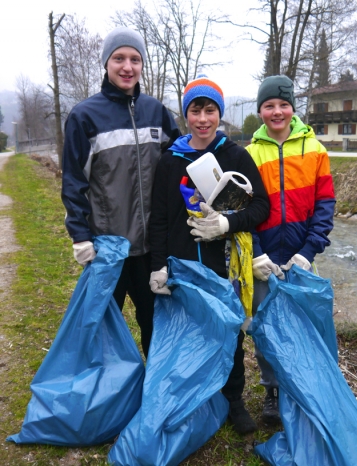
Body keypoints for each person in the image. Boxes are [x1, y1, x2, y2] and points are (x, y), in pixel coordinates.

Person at [148, 75, 270, 434]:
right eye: (196, 110)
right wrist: (158, 266)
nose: (203, 119)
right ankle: (194, 397)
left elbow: (261, 207)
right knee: (190, 333)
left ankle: (233, 399)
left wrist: (226, 225)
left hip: (224, 266)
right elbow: (159, 218)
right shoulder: (170, 161)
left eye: (210, 110)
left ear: (220, 114)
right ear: (187, 114)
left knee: (229, 333)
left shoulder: (235, 155)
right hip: (183, 265)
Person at [61, 27, 180, 359]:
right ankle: (108, 399)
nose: (127, 66)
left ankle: (155, 396)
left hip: (152, 250)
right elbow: (73, 182)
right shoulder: (84, 116)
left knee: (156, 326)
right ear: (106, 63)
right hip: (107, 249)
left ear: (142, 65)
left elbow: (180, 170)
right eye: (119, 58)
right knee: (102, 330)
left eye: (135, 59)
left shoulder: (158, 112)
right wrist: (80, 237)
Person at [246, 74, 336, 425]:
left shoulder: (315, 150)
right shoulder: (250, 153)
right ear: (261, 110)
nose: (277, 111)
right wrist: (254, 253)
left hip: (301, 258)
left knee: (301, 327)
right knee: (266, 326)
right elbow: (243, 209)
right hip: (264, 258)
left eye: (283, 105)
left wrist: (309, 251)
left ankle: (296, 386)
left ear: (293, 109)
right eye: (269, 105)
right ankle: (271, 389)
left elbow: (325, 204)